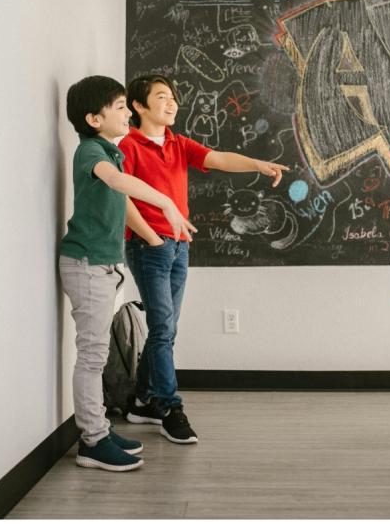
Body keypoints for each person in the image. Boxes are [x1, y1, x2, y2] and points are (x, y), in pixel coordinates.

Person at [120, 74, 289, 444]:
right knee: (164, 329)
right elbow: (121, 199)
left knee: (166, 329)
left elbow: (219, 159)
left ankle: (141, 402)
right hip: (149, 247)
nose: (172, 103)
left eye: (173, 98)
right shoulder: (127, 147)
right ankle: (169, 407)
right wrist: (151, 236)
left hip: (179, 245)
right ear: (138, 106)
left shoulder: (177, 143)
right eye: (162, 97)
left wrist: (258, 164)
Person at [59, 75, 196, 471]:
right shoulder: (90, 152)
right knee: (92, 356)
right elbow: (118, 182)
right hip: (86, 266)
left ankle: (99, 427)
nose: (126, 113)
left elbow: (120, 195)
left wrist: (157, 229)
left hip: (102, 266)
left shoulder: (110, 149)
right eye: (119, 107)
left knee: (97, 354)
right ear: (93, 118)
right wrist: (167, 205)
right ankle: (92, 440)